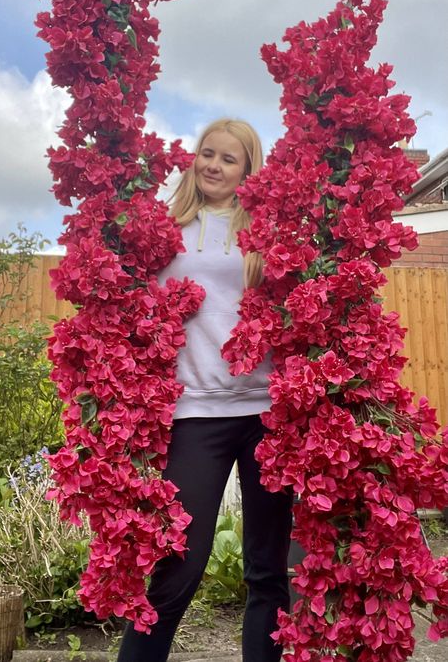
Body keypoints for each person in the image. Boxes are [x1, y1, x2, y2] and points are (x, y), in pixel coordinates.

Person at [117, 118, 293, 662]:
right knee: (179, 566)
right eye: (207, 154)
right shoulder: (165, 227)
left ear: (249, 169)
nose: (213, 165)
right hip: (195, 411)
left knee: (267, 572)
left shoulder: (267, 232)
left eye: (229, 158)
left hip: (267, 413)